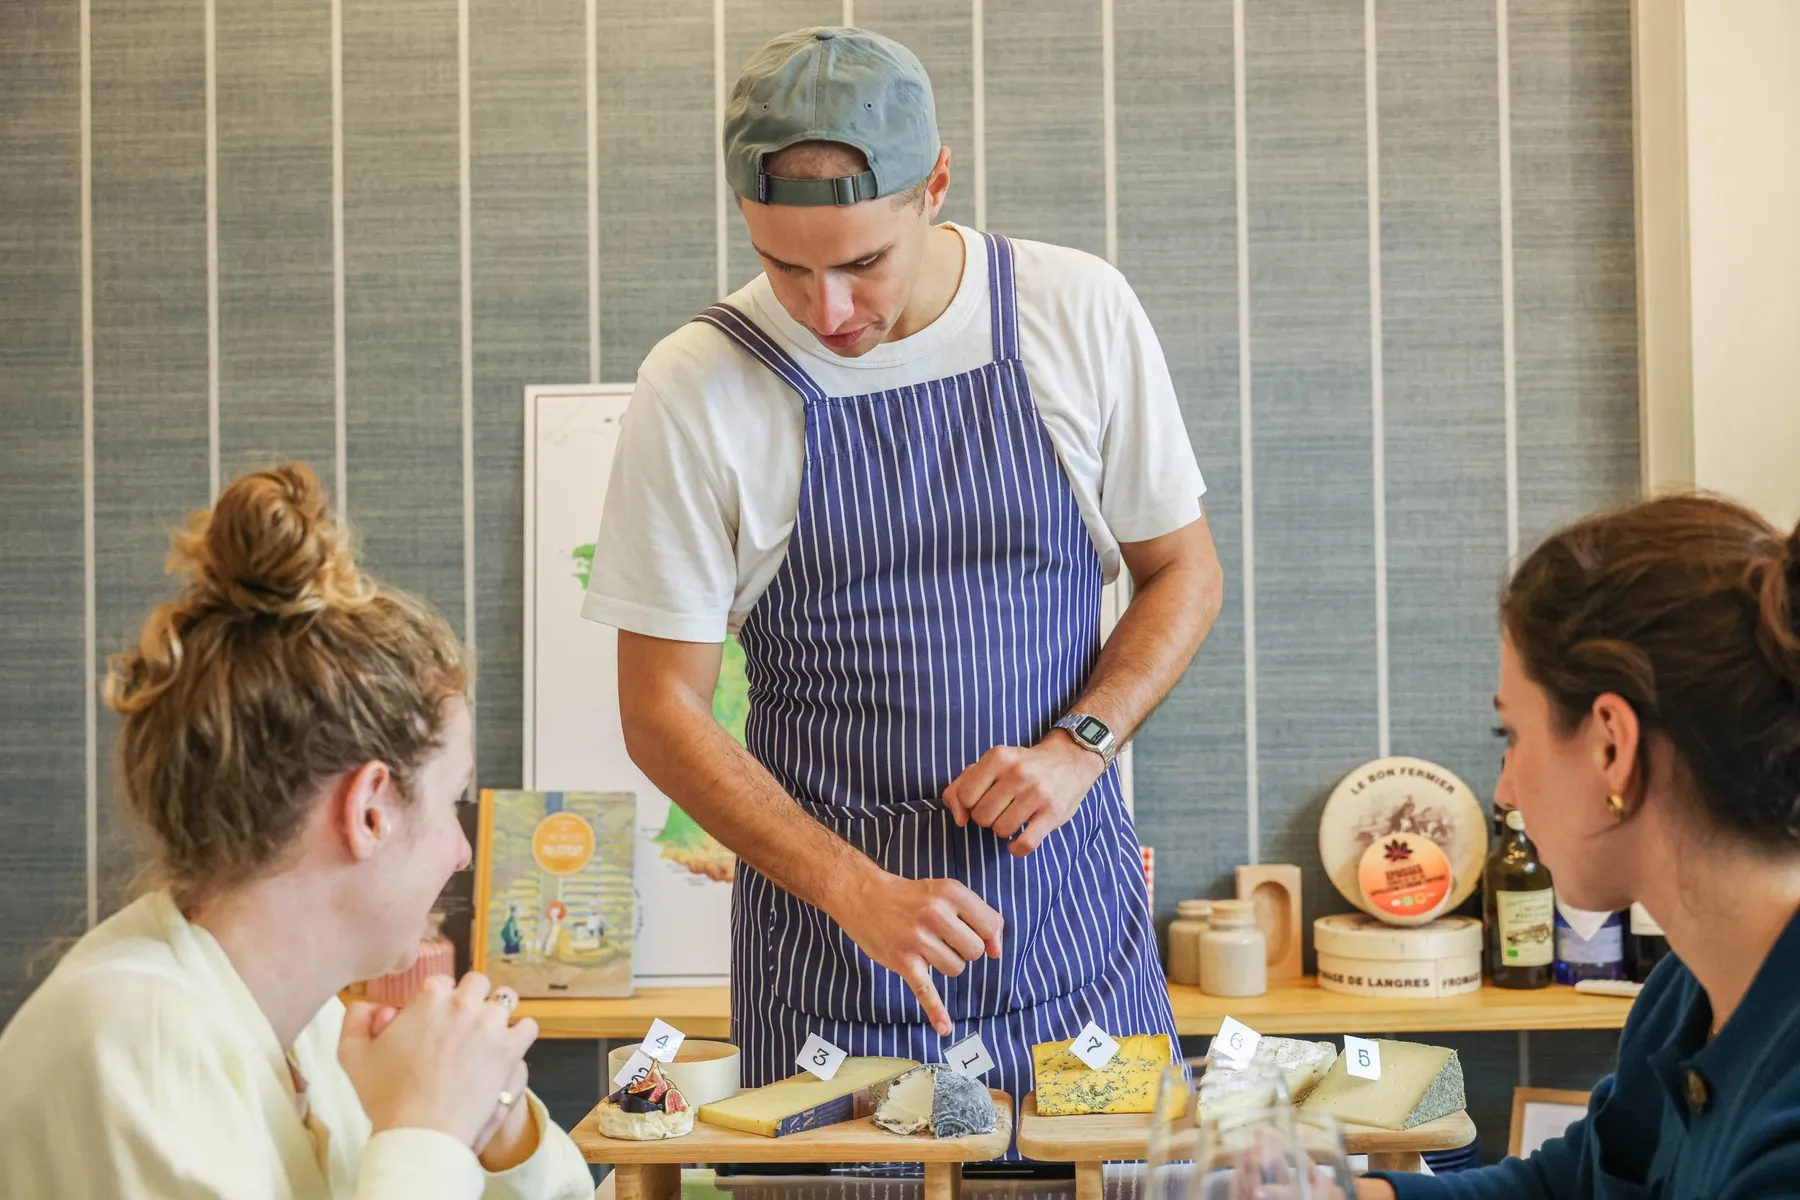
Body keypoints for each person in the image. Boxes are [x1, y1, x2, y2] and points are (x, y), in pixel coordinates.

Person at [585, 27, 1223, 1115]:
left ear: (935, 186)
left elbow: (1184, 573)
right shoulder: (696, 387)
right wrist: (851, 888)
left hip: (1075, 941)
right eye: (788, 266)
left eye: (862, 264)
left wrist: (1080, 747)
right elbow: (659, 712)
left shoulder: (1074, 311)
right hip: (833, 975)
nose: (829, 312)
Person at [0, 464, 593, 1199]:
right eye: (453, 804)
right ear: (370, 810)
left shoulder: (303, 1031)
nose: (461, 851)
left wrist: (495, 1129)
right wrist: (428, 1135)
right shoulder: (132, 1042)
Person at [1357, 493, 1800, 1199]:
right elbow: (1573, 1184)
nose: (1504, 793)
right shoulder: (1686, 993)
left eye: (1514, 738)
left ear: (1610, 747)